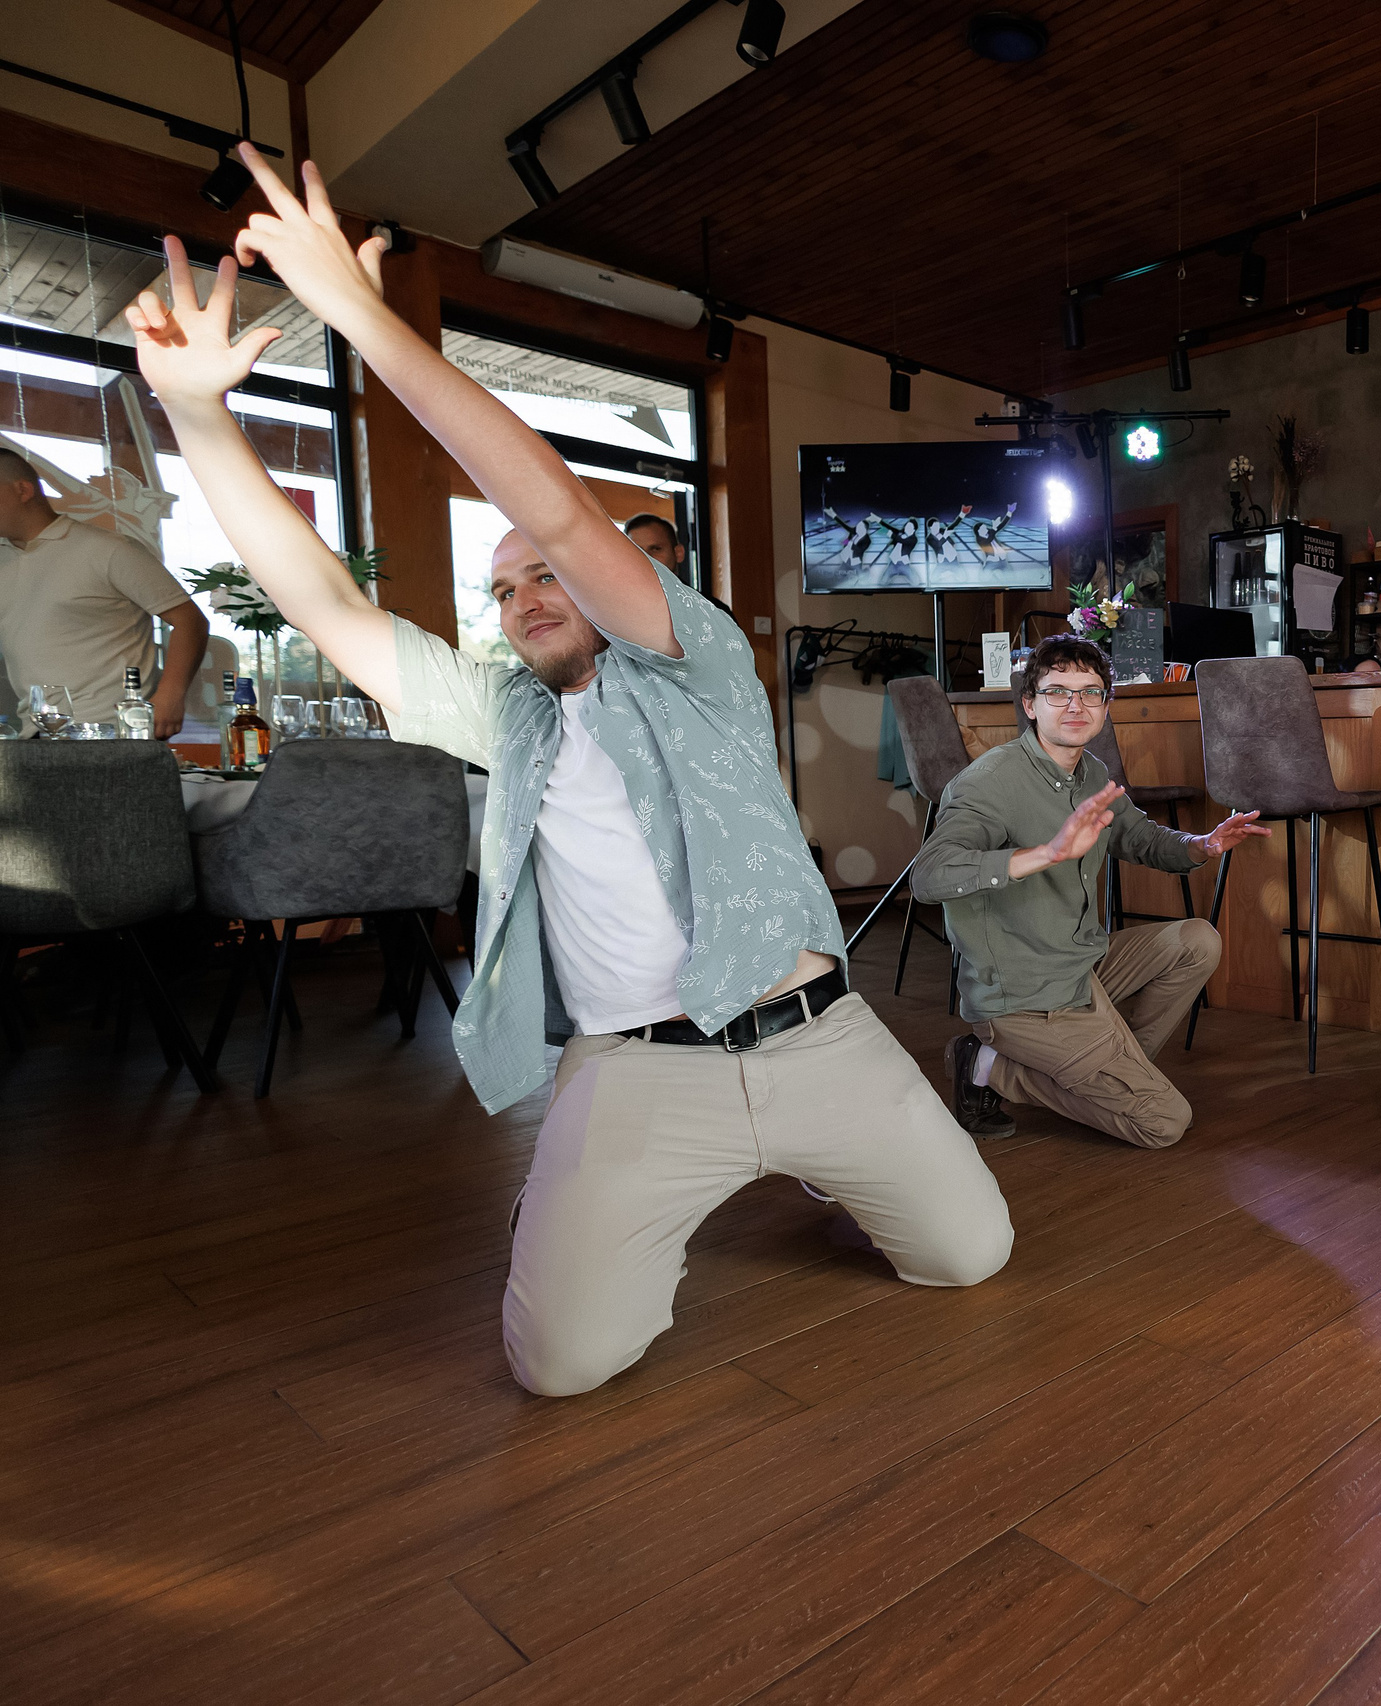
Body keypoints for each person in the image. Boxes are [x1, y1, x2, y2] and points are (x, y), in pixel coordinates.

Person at [127, 148, 1013, 1397]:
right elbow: (324, 598)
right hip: (637, 1066)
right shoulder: (513, 717)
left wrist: (357, 315)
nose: (525, 594)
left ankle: (827, 1154)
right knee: (558, 1364)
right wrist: (199, 414)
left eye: (545, 574)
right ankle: (593, 1200)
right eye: (502, 592)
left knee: (972, 1254)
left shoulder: (698, 660)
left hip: (819, 1040)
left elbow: (551, 510)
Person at [913, 633, 1268, 1145]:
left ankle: (1110, 1073)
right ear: (1030, 705)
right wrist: (1047, 852)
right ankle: (988, 1064)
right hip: (1023, 994)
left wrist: (1204, 844)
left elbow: (1141, 838)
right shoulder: (986, 783)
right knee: (1164, 1123)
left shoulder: (1090, 771)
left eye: (1090, 692)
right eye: (1058, 692)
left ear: (1106, 705)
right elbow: (930, 876)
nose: (1075, 705)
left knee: (1197, 941)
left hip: (1082, 967)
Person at [0, 447, 208, 735]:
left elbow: (190, 620)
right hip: (36, 732)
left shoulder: (109, 549)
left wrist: (171, 694)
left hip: (111, 732)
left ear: (22, 490)